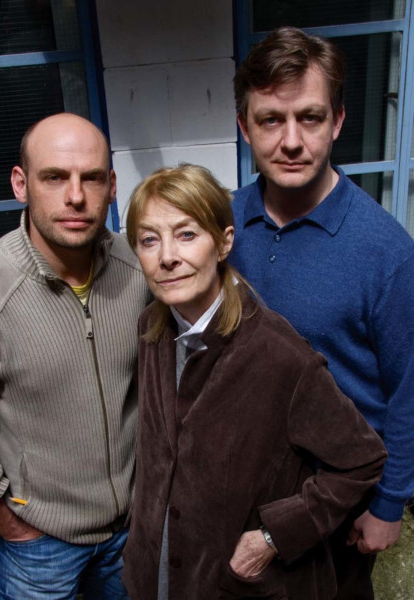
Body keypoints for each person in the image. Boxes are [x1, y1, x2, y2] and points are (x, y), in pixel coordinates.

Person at [121, 163, 386, 600]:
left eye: (187, 234)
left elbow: (362, 462)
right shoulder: (151, 328)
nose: (167, 255)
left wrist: (271, 536)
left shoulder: (279, 356)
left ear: (224, 242)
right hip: (157, 576)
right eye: (150, 239)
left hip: (230, 584)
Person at [229, 26, 414, 600]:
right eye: (270, 120)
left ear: (336, 121)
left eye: (309, 118)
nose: (290, 140)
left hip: (340, 498)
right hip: (249, 485)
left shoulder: (385, 249)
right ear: (244, 127)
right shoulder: (221, 227)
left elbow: (410, 387)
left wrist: (388, 505)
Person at [0, 113, 149, 599]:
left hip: (129, 532)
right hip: (38, 544)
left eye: (91, 178)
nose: (74, 196)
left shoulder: (139, 269)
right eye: (54, 177)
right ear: (21, 184)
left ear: (112, 186)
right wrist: (10, 522)